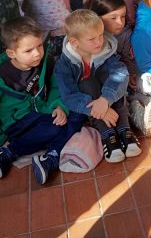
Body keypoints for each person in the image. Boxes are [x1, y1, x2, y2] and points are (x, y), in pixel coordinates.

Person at [0, 17, 84, 185]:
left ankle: (49, 158)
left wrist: (58, 106)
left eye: (39, 45)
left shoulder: (43, 62)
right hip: (16, 123)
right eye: (28, 50)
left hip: (42, 112)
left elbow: (54, 86)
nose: (37, 53)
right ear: (12, 53)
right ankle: (7, 151)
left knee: (78, 110)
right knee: (55, 127)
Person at [56, 10, 139, 163]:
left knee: (113, 78)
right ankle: (107, 134)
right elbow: (68, 95)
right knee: (87, 82)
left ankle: (124, 129)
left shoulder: (106, 51)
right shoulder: (64, 64)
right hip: (88, 109)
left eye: (100, 35)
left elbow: (120, 74)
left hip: (110, 101)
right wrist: (99, 109)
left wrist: (105, 100)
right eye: (92, 39)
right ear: (75, 43)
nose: (99, 42)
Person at [88, 0, 151, 136]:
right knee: (124, 99)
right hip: (104, 86)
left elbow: (126, 57)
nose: (120, 22)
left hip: (123, 76)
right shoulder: (92, 39)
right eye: (113, 18)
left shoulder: (125, 33)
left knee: (139, 85)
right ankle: (139, 115)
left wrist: (131, 73)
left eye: (123, 17)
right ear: (97, 18)